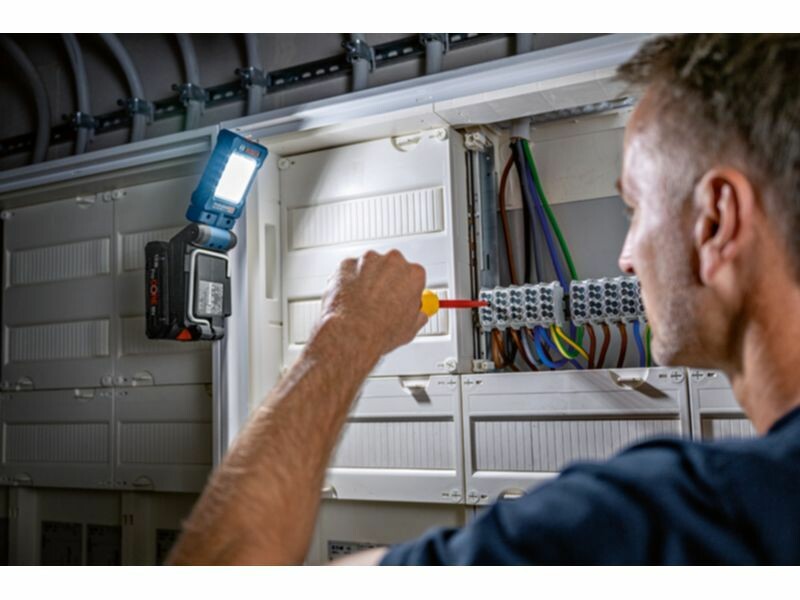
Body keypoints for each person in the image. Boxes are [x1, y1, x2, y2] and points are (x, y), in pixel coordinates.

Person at [167, 34, 800, 565]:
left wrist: (346, 331)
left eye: (634, 210)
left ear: (717, 221)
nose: (626, 258)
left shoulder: (651, 523)